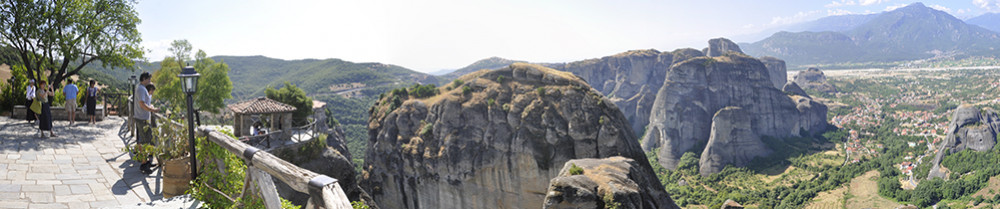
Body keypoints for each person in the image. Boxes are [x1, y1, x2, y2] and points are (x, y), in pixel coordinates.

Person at [134, 72, 159, 175]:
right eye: (148, 79)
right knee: (145, 141)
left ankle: (147, 162)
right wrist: (153, 110)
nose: (149, 81)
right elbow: (142, 104)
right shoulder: (141, 89)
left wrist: (150, 108)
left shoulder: (141, 88)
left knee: (148, 139)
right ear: (144, 79)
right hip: (142, 118)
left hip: (143, 118)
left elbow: (145, 103)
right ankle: (144, 164)